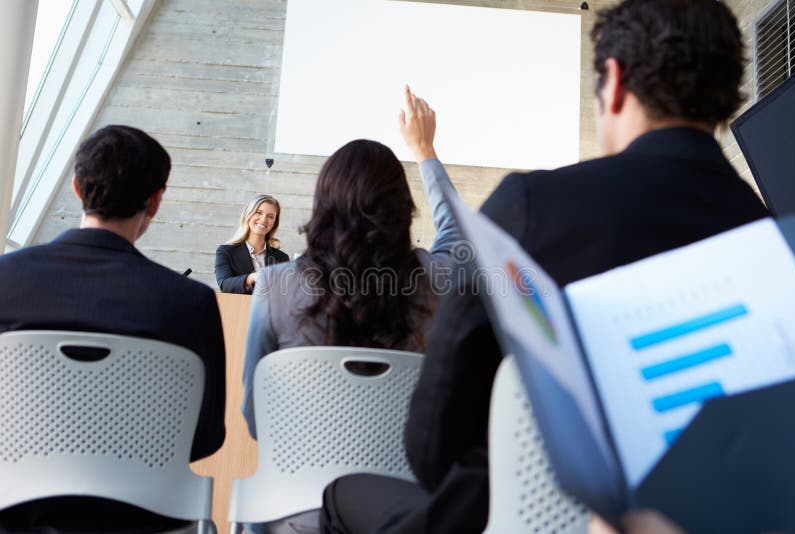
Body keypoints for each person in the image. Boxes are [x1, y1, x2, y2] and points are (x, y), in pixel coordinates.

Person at [320, 0, 769, 532]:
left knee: (339, 497)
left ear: (614, 82)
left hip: (510, 517)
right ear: (727, 93)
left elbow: (432, 448)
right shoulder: (774, 244)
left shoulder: (527, 212)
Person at [0, 125, 226, 532]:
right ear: (155, 201)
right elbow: (205, 437)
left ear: (76, 187)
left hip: (14, 513)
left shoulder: (5, 279)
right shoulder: (190, 302)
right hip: (142, 518)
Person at [241, 86, 460, 439]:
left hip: (299, 473)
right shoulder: (438, 279)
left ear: (322, 208)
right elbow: (457, 229)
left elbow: (256, 419)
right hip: (406, 474)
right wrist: (424, 150)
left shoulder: (274, 287)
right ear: (403, 209)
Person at [215, 194, 290, 294]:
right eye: (259, 213)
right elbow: (225, 285)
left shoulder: (282, 258)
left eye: (270, 216)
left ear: (274, 223)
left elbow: (285, 293)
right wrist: (252, 278)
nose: (263, 219)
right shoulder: (226, 252)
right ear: (248, 215)